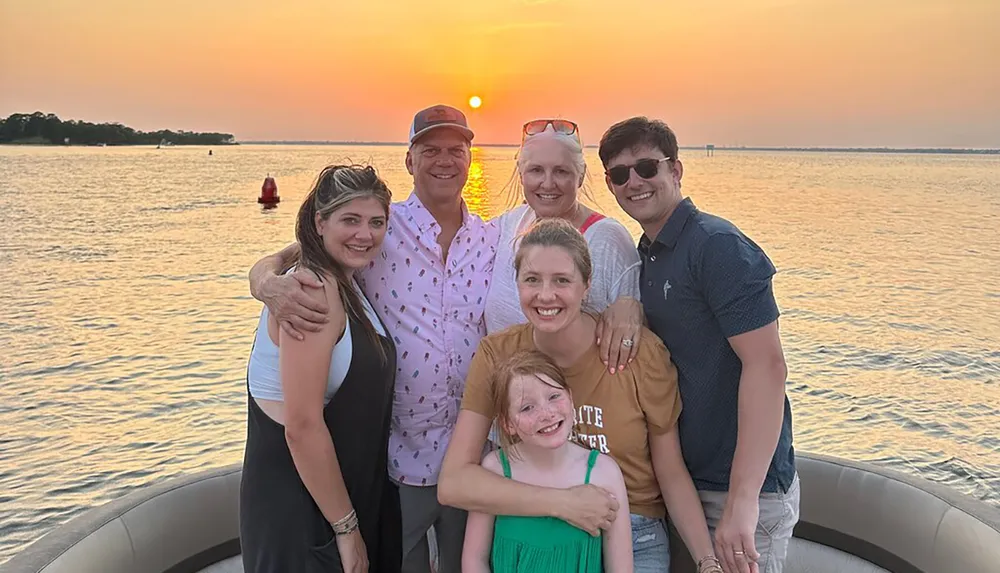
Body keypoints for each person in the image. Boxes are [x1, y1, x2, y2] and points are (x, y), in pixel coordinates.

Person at [248, 108, 629, 570]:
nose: (443, 160)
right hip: (394, 456)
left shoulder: (494, 237)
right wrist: (265, 278)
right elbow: (320, 244)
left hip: (475, 453)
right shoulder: (383, 230)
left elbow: (550, 267)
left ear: (471, 160)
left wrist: (627, 303)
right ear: (409, 160)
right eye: (430, 150)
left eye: (456, 150)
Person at [439, 219, 724, 573]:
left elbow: (671, 471)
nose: (546, 295)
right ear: (516, 284)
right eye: (532, 280)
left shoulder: (639, 354)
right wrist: (562, 503)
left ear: (587, 285)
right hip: (532, 525)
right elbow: (453, 483)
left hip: (632, 528)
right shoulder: (499, 355)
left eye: (562, 280)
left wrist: (707, 561)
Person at [598, 117, 799, 573]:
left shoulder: (717, 246)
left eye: (647, 167)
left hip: (741, 490)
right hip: (682, 485)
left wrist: (743, 501)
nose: (635, 182)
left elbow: (767, 368)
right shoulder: (646, 254)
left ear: (677, 171)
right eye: (619, 174)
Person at [240, 164, 401, 573]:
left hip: (338, 501)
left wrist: (265, 267)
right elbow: (302, 426)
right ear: (320, 222)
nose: (365, 235)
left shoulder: (342, 280)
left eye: (376, 222)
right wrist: (346, 530)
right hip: (303, 516)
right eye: (350, 220)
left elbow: (298, 247)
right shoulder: (310, 290)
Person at [487, 119, 643, 373]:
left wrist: (633, 307)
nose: (548, 183)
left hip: (579, 404)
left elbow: (635, 339)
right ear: (521, 174)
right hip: (502, 400)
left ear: (580, 176)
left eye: (561, 171)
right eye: (536, 170)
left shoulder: (608, 240)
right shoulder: (508, 225)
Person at [461, 350, 633, 573]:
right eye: (527, 407)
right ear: (508, 423)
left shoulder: (605, 474)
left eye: (554, 397)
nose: (546, 413)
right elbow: (474, 559)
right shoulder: (495, 470)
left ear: (571, 398)